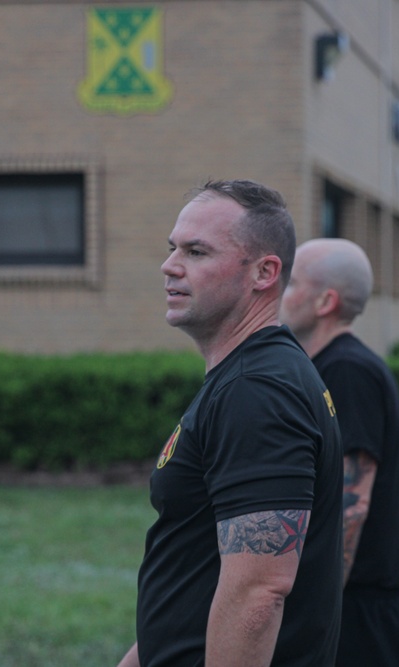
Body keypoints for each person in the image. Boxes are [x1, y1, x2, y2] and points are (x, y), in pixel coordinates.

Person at [117, 180, 344, 667]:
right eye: (172, 248)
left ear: (264, 272)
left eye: (196, 251)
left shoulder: (258, 391)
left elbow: (259, 593)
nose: (170, 265)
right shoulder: (248, 378)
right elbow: (199, 566)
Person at [278, 238, 399, 667]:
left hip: (355, 617)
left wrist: (309, 613)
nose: (278, 293)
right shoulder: (330, 367)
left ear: (326, 301)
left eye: (290, 282)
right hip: (347, 608)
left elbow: (350, 507)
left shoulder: (347, 371)